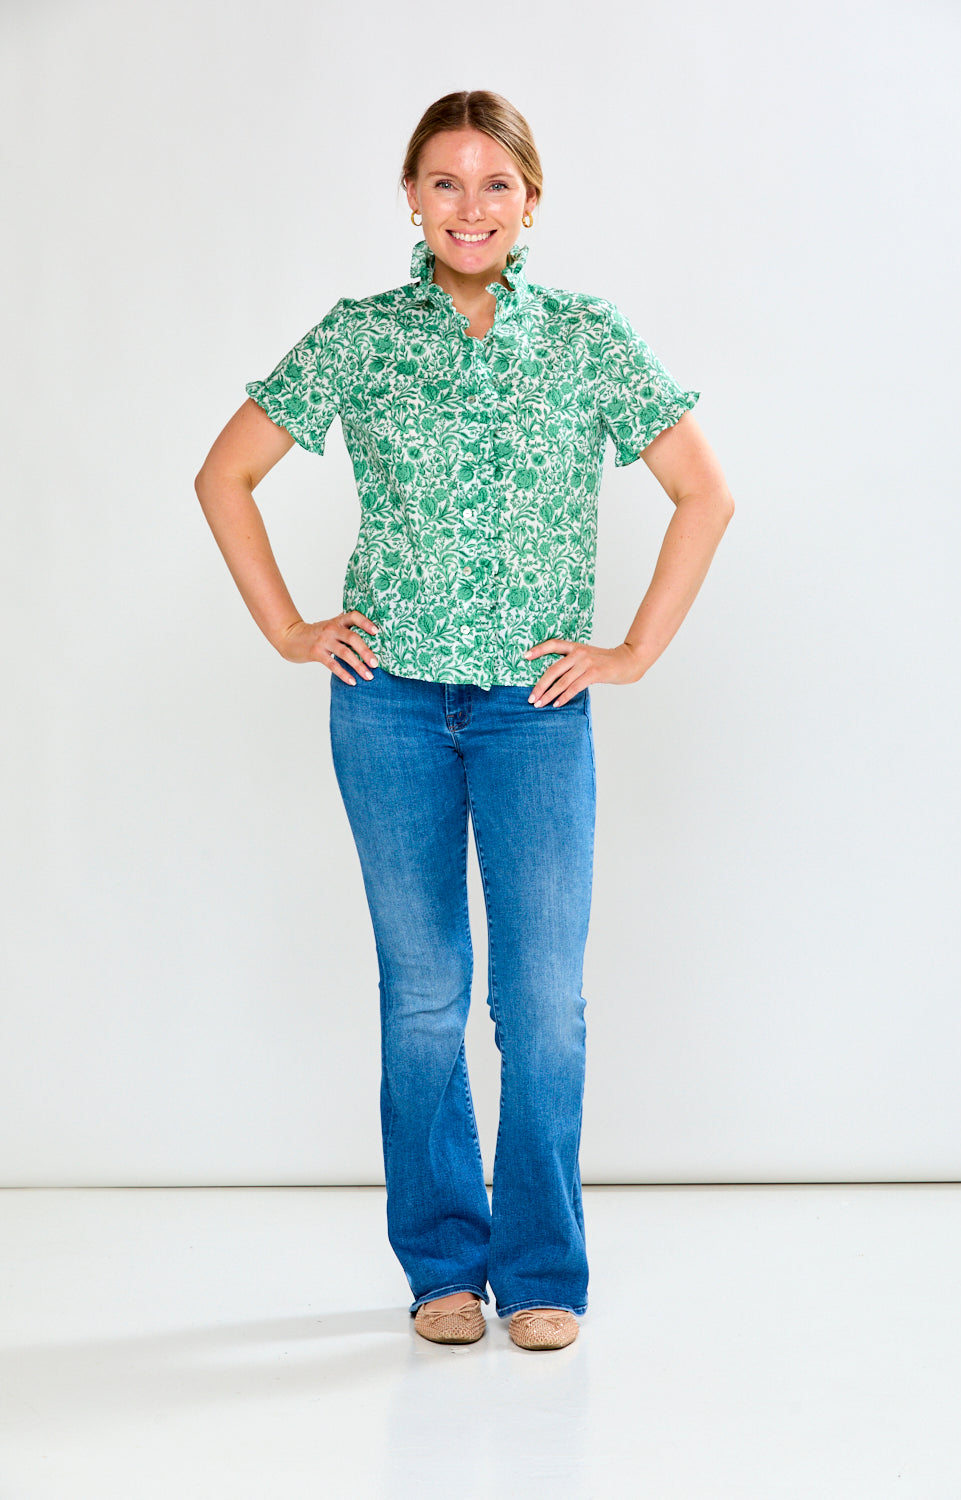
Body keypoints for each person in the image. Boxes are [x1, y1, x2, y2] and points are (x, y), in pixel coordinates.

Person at [194, 89, 734, 1353]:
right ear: (411, 197)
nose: (470, 206)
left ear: (530, 202)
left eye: (494, 185)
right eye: (445, 183)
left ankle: (544, 1271)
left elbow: (702, 493)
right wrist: (288, 627)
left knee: (542, 1001)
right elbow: (224, 474)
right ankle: (442, 1264)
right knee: (424, 993)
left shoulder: (589, 340)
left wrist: (633, 651)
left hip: (534, 706)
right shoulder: (359, 337)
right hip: (384, 704)